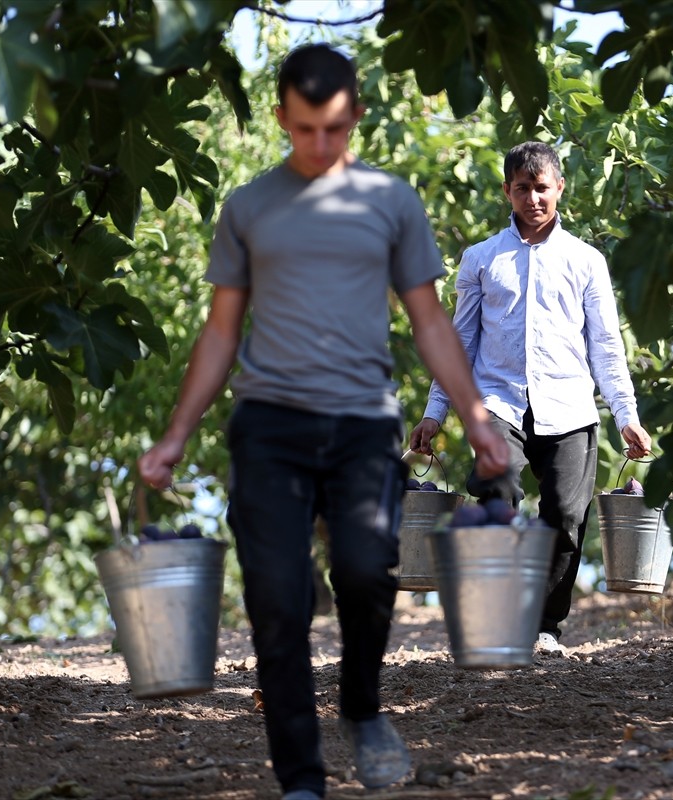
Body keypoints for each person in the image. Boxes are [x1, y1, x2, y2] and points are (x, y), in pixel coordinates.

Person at [138, 44, 508, 800]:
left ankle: (363, 708)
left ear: (356, 118)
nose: (320, 145)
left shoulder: (391, 202)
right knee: (277, 600)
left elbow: (430, 321)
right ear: (280, 118)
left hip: (362, 425)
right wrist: (177, 432)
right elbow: (219, 333)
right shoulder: (248, 207)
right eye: (305, 129)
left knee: (370, 573)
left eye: (335, 129)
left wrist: (474, 416)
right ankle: (301, 781)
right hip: (268, 424)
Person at [409, 141, 652, 656]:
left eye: (543, 188)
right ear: (507, 192)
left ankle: (544, 627)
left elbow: (606, 347)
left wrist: (626, 416)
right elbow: (462, 345)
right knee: (497, 493)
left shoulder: (586, 262)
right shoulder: (480, 259)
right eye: (523, 188)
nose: (534, 198)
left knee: (566, 515)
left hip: (570, 408)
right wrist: (435, 413)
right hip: (497, 403)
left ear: (559, 188)